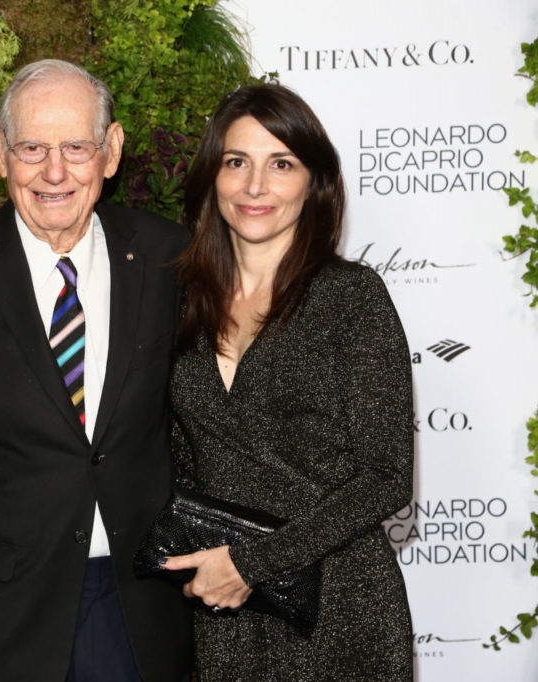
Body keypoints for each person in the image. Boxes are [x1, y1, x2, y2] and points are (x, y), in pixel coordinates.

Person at [0, 60, 192, 682]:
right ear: (0, 152)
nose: (54, 172)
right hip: (0, 618)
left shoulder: (172, 259)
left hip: (141, 604)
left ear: (111, 151)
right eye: (32, 148)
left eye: (76, 147)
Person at [162, 83, 414, 679]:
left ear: (313, 182)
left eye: (281, 164)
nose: (255, 186)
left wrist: (253, 563)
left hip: (340, 605)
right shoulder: (181, 303)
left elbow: (386, 477)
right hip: (226, 614)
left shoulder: (351, 298)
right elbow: (182, 458)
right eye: (236, 162)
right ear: (212, 177)